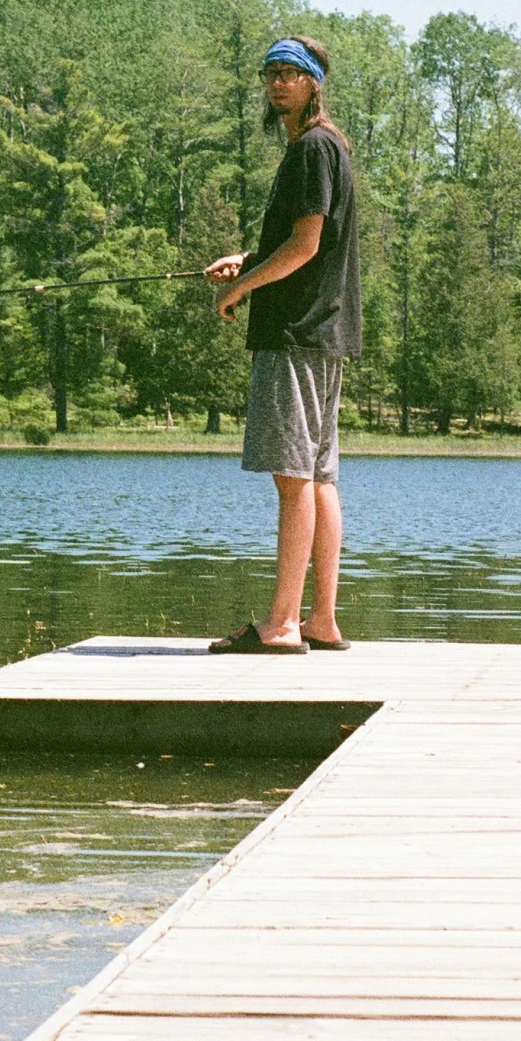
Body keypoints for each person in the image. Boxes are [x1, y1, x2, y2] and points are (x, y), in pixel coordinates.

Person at [203, 35, 361, 655]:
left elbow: (305, 248)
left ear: (314, 81)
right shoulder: (327, 148)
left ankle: (283, 624)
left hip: (296, 334)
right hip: (323, 332)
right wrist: (246, 259)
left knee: (294, 478)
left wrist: (240, 288)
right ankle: (321, 620)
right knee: (318, 478)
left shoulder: (312, 150)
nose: (277, 83)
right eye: (270, 73)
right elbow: (298, 240)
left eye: (290, 74)